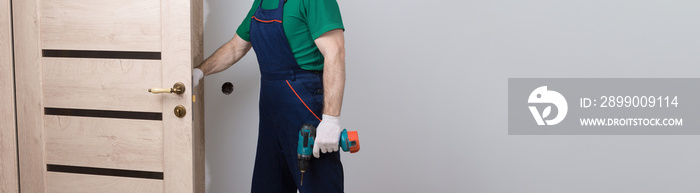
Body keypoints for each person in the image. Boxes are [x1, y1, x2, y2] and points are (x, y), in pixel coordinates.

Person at [192, 0, 346, 192]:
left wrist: (331, 119)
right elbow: (235, 48)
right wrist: (199, 71)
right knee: (269, 186)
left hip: (304, 106)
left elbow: (335, 53)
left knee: (318, 186)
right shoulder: (261, 2)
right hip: (271, 111)